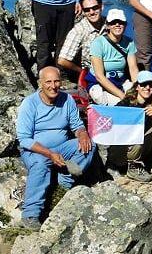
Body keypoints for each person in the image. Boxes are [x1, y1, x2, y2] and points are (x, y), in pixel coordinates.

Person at [16, 67, 95, 229]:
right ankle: (30, 214)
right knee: (40, 164)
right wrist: (49, 154)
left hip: (61, 147)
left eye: (56, 81)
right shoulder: (30, 103)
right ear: (40, 84)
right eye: (48, 82)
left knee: (89, 146)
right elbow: (24, 139)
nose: (53, 86)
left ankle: (64, 182)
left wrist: (82, 134)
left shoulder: (67, 100)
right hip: (36, 150)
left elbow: (77, 124)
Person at [87, 8, 140, 106]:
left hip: (120, 81)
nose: (117, 25)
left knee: (142, 98)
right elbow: (99, 76)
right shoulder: (98, 43)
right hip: (100, 84)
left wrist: (137, 88)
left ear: (125, 25)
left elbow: (133, 68)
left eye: (121, 22)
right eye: (113, 22)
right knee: (119, 103)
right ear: (108, 26)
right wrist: (121, 95)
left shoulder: (129, 42)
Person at [56, 0, 107, 78]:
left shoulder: (109, 23)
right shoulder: (78, 31)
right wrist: (83, 72)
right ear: (83, 11)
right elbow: (62, 60)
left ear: (101, 7)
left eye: (95, 8)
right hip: (93, 74)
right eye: (87, 10)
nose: (91, 12)